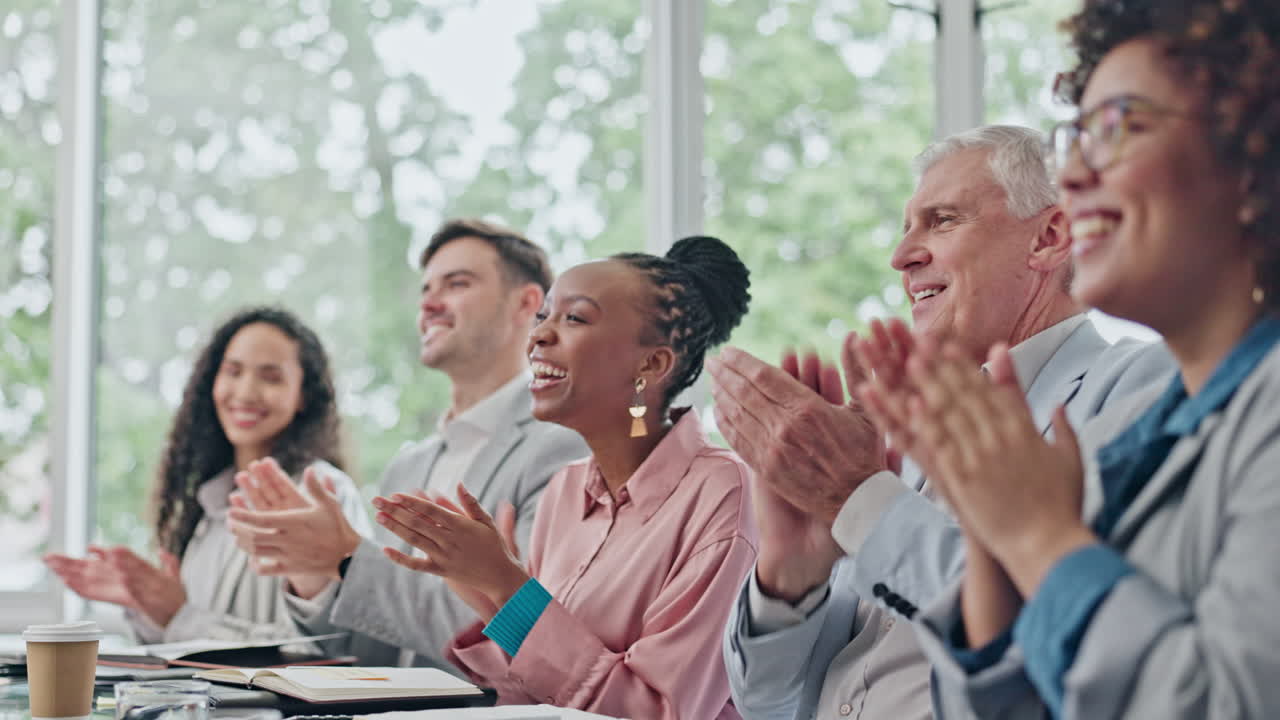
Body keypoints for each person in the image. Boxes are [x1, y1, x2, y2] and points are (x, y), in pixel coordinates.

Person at [864, 2, 1280, 718]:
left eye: (1119, 127)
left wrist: (1032, 531)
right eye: (1076, 135)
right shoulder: (1162, 429)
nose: (1077, 173)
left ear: (1253, 162)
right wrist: (995, 555)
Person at [710, 126, 1174, 719]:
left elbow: (1071, 643)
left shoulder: (1142, 389)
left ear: (1049, 236)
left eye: (943, 220)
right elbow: (769, 704)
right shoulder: (900, 432)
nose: (901, 257)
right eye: (906, 228)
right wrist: (788, 574)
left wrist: (857, 497)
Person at [373, 236, 756, 718]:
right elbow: (529, 699)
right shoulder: (565, 492)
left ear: (651, 364)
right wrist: (494, 598)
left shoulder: (725, 495)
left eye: (574, 318)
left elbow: (658, 713)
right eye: (543, 317)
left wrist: (508, 586)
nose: (539, 337)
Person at [227, 219, 587, 668]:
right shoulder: (407, 468)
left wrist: (347, 559)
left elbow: (515, 634)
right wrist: (314, 577)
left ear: (526, 303)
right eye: (425, 290)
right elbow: (373, 655)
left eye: (456, 284)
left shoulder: (565, 451)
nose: (430, 305)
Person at [44, 306, 369, 643]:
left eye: (271, 377)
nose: (245, 392)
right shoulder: (207, 511)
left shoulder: (323, 492)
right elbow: (193, 654)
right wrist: (151, 606)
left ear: (304, 396)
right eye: (233, 372)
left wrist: (181, 616)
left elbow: (331, 653)